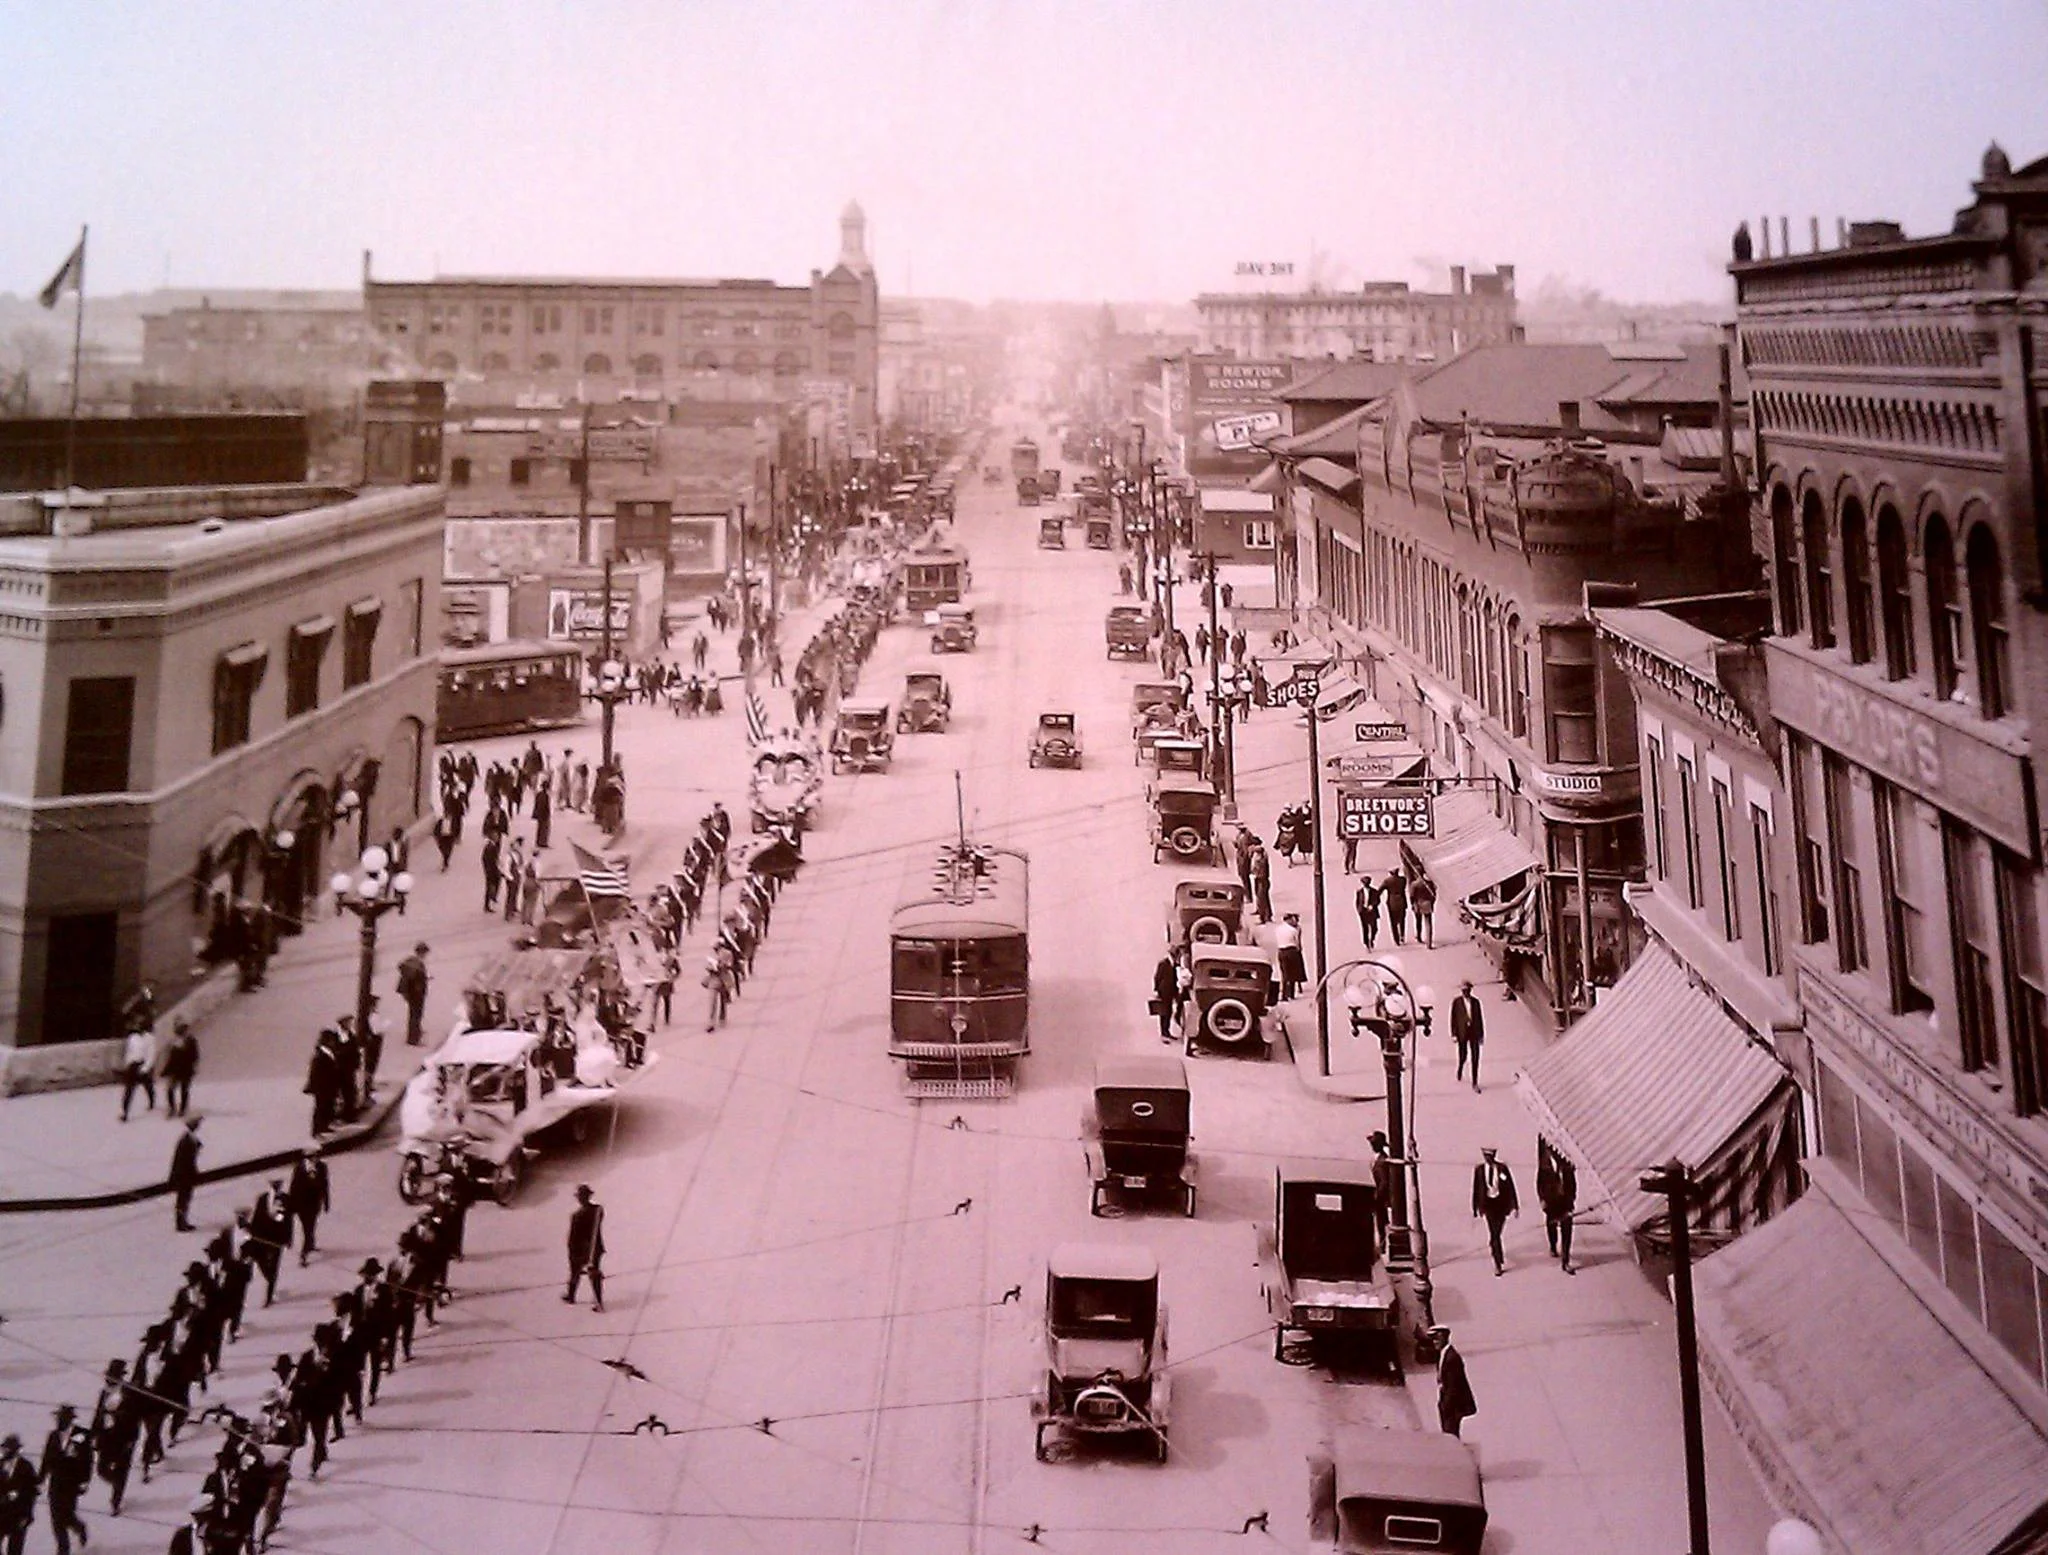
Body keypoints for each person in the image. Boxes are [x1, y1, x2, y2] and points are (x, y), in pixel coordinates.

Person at [39, 1406, 90, 1555]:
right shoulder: (53, 1436)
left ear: (69, 1420)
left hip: (71, 1484)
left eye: (62, 1419)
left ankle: (79, 1527)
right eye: (58, 1419)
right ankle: (63, 1550)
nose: (59, 1422)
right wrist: (41, 1479)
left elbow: (87, 1460)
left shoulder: (80, 1435)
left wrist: (85, 1481)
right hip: (55, 1483)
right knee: (56, 1519)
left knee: (66, 1515)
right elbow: (46, 1459)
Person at [1471, 1146, 1520, 1276]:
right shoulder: (1479, 1170)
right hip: (1488, 1205)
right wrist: (1475, 1207)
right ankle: (1497, 1262)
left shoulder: (1502, 1169)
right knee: (1494, 1234)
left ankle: (1497, 1252)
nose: (1488, 1159)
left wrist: (1515, 1206)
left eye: (1491, 1156)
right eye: (1486, 1156)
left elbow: (1510, 1187)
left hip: (1501, 1205)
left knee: (1497, 1232)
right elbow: (1476, 1189)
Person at [1537, 1140, 1579, 1275]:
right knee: (1552, 1226)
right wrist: (1542, 1200)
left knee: (1567, 1232)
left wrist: (1572, 1201)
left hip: (1565, 1203)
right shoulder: (1545, 1167)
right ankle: (1553, 1245)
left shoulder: (1567, 1166)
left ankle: (1565, 1261)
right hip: (1551, 1202)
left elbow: (1572, 1185)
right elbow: (1539, 1184)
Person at [564, 1185, 606, 1311]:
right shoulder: (597, 1210)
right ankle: (597, 1301)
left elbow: (573, 1238)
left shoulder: (577, 1216)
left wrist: (572, 1253)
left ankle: (572, 1297)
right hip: (595, 1248)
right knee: (594, 1273)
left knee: (576, 1272)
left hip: (580, 1250)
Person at [287, 1147, 331, 1266]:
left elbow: (325, 1185)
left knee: (311, 1226)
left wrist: (326, 1202)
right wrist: (291, 1205)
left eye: (316, 1156)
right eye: (312, 1157)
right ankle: (304, 1254)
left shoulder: (322, 1167)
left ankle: (310, 1245)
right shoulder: (299, 1169)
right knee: (307, 1229)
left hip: (315, 1204)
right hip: (302, 1205)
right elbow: (293, 1187)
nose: (315, 1159)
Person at [1433, 1328, 1477, 1437]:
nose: (1435, 1342)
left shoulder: (1452, 1358)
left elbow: (1454, 1385)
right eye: (1434, 1340)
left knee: (1450, 1434)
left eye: (1437, 1339)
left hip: (1453, 1405)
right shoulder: (1443, 1354)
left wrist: (1446, 1405)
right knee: (1448, 1433)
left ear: (1444, 1339)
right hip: (1447, 1402)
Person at [0, 1435, 35, 1555]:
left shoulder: (26, 1467)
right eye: (4, 1449)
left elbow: (31, 1494)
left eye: (8, 1449)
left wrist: (27, 1515)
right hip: (1, 1513)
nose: (5, 1452)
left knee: (15, 1550)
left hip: (18, 1515)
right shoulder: (0, 1464)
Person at [169, 1117, 203, 1233]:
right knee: (183, 1200)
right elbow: (183, 1160)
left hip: (187, 1175)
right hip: (184, 1175)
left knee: (185, 1199)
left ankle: (182, 1221)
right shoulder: (186, 1140)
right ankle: (180, 1223)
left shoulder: (189, 1139)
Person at [119, 1020, 158, 1121]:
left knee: (148, 1085)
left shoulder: (150, 1038)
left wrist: (145, 1068)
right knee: (129, 1090)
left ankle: (152, 1101)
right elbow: (129, 1052)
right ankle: (125, 1112)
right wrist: (127, 1064)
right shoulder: (132, 1038)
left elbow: (151, 1054)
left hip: (143, 1064)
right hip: (133, 1065)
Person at [161, 1017, 200, 1118]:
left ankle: (182, 1109)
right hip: (174, 1069)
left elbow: (195, 1055)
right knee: (170, 1090)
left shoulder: (191, 1040)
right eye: (178, 1027)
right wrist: (165, 1069)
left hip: (186, 1068)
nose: (179, 1030)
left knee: (184, 1089)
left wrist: (194, 1066)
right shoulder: (173, 1041)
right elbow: (170, 1057)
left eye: (181, 1027)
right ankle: (172, 1108)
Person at [1449, 981, 1485, 1091]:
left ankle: (1475, 1081)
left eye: (1468, 990)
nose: (1466, 993)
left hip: (1474, 1032)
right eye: (1464, 991)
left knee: (1475, 1057)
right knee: (1463, 1055)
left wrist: (1481, 1035)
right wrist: (1454, 1034)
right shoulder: (1456, 1002)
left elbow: (1479, 1019)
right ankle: (1460, 1068)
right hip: (1462, 1033)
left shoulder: (1476, 1002)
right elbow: (1453, 1019)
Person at [398, 943, 431, 1046]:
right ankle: (413, 1039)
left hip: (413, 993)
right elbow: (413, 980)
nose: (425, 955)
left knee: (414, 1014)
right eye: (424, 952)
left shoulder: (412, 962)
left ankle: (415, 1033)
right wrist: (421, 982)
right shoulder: (416, 963)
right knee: (416, 1015)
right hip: (416, 994)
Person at [1366, 1131, 1393, 1256]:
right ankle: (1382, 1244)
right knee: (1381, 1221)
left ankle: (1383, 1246)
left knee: (1381, 1222)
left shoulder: (1382, 1161)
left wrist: (1377, 1196)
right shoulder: (1378, 1158)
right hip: (1378, 1196)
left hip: (1379, 1197)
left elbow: (1384, 1182)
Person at [1274, 912, 1307, 1001]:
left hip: (1281, 951)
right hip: (1291, 951)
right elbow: (1297, 943)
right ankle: (1291, 993)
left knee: (1284, 973)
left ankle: (1284, 994)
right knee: (1293, 973)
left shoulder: (1278, 929)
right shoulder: (1294, 930)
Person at [1151, 951, 1180, 1043]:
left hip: (1171, 991)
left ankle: (1167, 1031)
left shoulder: (1175, 965)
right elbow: (1157, 977)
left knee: (1169, 1012)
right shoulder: (1163, 963)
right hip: (1163, 992)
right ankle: (1163, 1033)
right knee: (1164, 1013)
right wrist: (1156, 989)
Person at [1410, 874, 1438, 948]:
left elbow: (1411, 896)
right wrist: (1431, 903)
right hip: (1427, 904)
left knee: (1418, 921)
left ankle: (1419, 937)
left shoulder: (1414, 884)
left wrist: (1412, 904)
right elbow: (1434, 895)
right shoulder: (1430, 883)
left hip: (1418, 904)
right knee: (1428, 923)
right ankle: (1429, 942)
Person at [1382, 868, 1409, 945]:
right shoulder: (1403, 880)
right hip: (1402, 901)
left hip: (1392, 903)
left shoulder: (1387, 881)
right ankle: (1402, 936)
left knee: (1393, 922)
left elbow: (1380, 890)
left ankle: (1396, 940)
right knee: (1402, 920)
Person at [1355, 877, 1381, 950]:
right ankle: (1366, 943)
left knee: (1374, 928)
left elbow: (1378, 900)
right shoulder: (1359, 892)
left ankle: (1372, 939)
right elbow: (1357, 902)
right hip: (1363, 912)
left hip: (1372, 912)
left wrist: (1372, 905)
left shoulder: (1374, 891)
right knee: (1365, 928)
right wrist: (1359, 910)